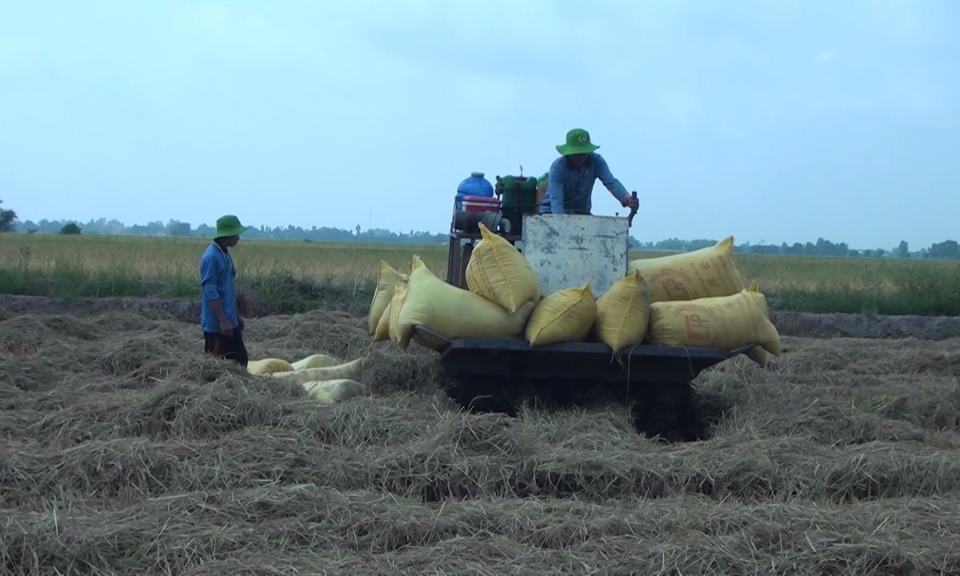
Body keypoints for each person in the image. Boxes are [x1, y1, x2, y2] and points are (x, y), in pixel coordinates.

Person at [539, 128, 640, 216]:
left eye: (583, 153)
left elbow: (611, 182)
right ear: (568, 153)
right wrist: (563, 224)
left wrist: (626, 198)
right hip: (551, 212)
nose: (580, 157)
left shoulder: (597, 162)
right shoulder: (557, 168)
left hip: (581, 213)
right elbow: (557, 205)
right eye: (576, 153)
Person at [200, 215, 250, 367]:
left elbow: (227, 290)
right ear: (226, 235)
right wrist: (222, 320)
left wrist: (235, 316)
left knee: (240, 361)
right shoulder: (211, 258)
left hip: (230, 320)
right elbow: (211, 291)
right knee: (215, 367)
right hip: (217, 325)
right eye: (235, 234)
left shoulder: (225, 255)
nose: (238, 238)